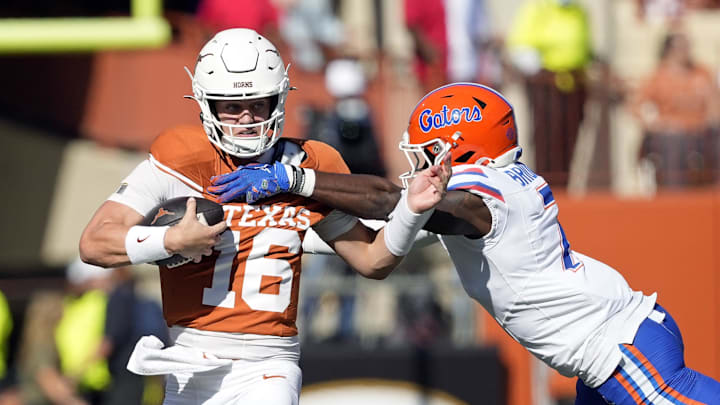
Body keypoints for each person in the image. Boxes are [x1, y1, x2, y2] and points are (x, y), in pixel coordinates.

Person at [221, 82, 720, 404]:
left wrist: (295, 179)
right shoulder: (494, 192)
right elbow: (391, 234)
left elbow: (388, 200)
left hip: (619, 350)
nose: (417, 165)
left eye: (423, 154)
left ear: (452, 147)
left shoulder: (483, 197)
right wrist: (294, 231)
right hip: (612, 347)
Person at [78, 28, 449, 405]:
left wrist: (412, 213)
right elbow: (94, 243)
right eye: (232, 106)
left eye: (259, 104)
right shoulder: (181, 158)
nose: (247, 118)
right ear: (207, 105)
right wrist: (171, 241)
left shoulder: (305, 165)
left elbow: (373, 259)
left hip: (268, 364)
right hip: (188, 363)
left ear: (279, 101)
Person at [629, 30, 719, 188]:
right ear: (669, 50)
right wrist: (658, 124)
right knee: (673, 142)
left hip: (700, 131)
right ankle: (674, 194)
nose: (687, 51)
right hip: (672, 134)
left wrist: (710, 120)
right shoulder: (658, 77)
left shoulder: (702, 73)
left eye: (688, 47)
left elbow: (714, 106)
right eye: (682, 47)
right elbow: (636, 107)